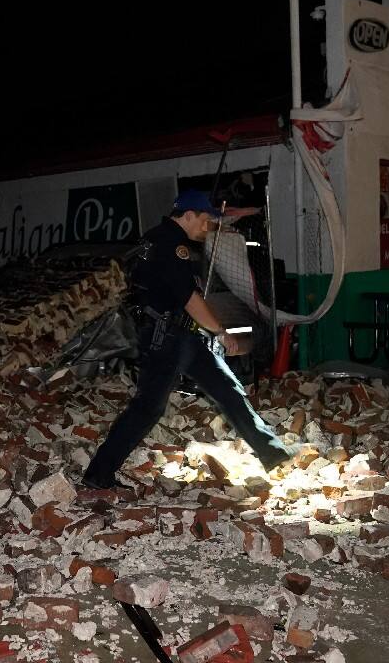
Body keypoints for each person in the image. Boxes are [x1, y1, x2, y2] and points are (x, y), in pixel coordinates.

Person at [81, 190, 294, 490]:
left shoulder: (159, 238)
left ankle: (273, 455)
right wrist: (220, 331)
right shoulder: (171, 244)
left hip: (183, 335)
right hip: (167, 337)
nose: (206, 229)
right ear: (188, 214)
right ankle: (98, 475)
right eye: (205, 221)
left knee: (228, 389)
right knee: (148, 408)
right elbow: (189, 299)